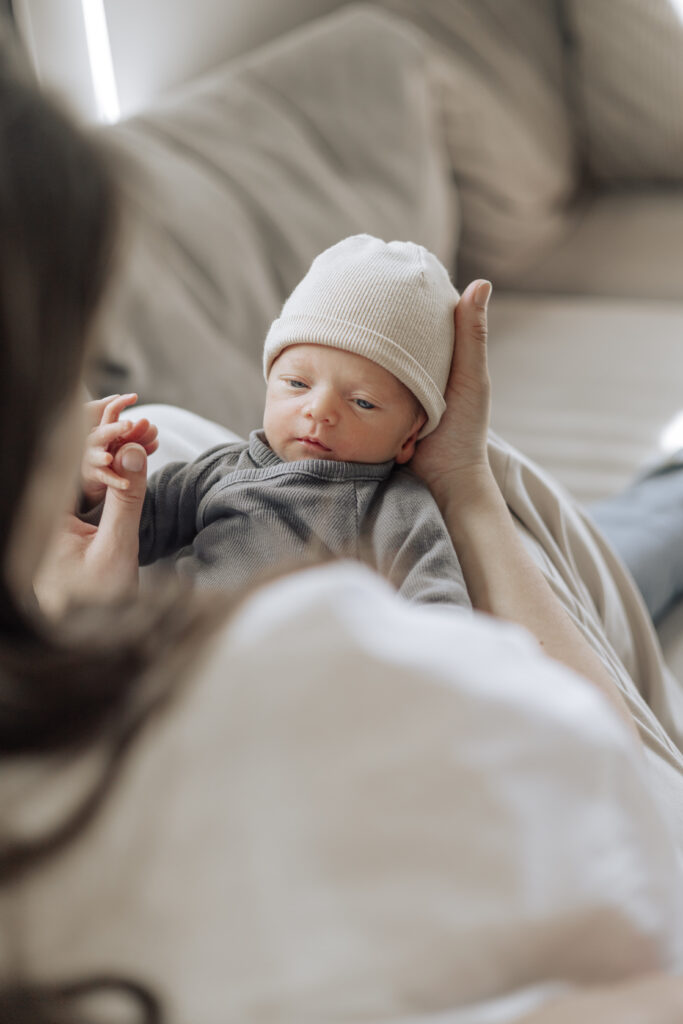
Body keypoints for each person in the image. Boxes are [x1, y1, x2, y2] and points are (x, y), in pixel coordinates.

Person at [5, 50, 683, 1024]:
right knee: (603, 548)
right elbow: (615, 804)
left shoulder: (329, 513)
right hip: (483, 615)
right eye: (76, 366)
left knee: (604, 538)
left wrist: (98, 527)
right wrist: (464, 487)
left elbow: (441, 613)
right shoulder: (301, 670)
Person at [81, 235, 470, 609]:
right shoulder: (220, 470)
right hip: (191, 642)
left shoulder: (393, 508)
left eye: (363, 402)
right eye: (298, 383)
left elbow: (440, 611)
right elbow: (128, 534)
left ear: (408, 438)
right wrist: (99, 486)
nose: (318, 410)